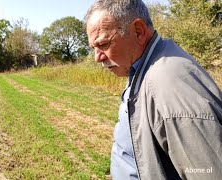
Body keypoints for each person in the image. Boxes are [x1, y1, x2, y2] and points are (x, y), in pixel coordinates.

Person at [85, 0, 222, 179]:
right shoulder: (142, 67)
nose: (97, 57)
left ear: (139, 31)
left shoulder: (171, 84)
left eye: (103, 44)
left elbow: (208, 173)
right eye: (93, 48)